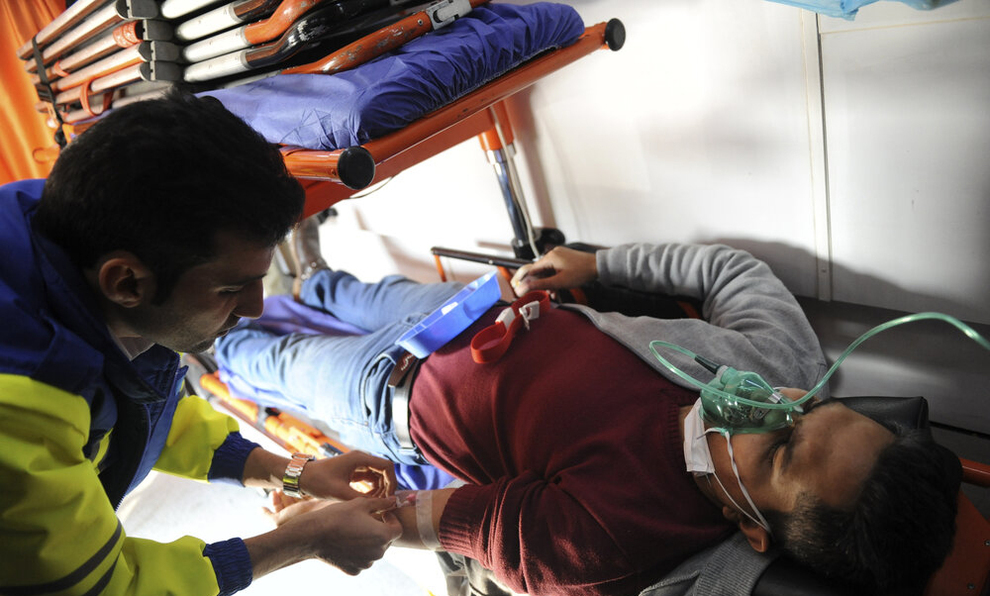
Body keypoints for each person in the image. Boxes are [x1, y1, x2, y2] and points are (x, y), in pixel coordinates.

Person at [214, 219, 961, 596]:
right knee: (355, 292)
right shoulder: (784, 364)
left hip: (391, 395)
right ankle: (308, 281)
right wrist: (600, 264)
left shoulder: (608, 542)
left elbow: (445, 520)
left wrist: (321, 525)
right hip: (477, 312)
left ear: (751, 528)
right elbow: (733, 271)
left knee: (270, 360)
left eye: (780, 448)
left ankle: (210, 339)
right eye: (812, 408)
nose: (772, 405)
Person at [0, 91, 405, 596]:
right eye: (231, 288)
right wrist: (306, 539)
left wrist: (298, 473)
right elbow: (104, 589)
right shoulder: (21, 409)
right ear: (125, 283)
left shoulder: (72, 228)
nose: (256, 306)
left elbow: (144, 414)